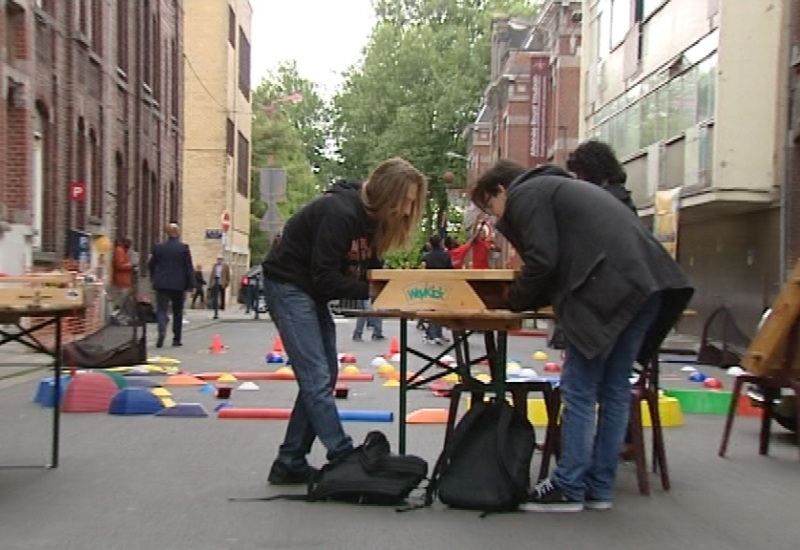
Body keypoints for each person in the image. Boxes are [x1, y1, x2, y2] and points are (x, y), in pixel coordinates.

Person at [471, 160, 693, 512]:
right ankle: (599, 487)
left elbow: (543, 259)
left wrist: (515, 302)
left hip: (606, 289)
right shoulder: (561, 189)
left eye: (489, 206)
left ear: (500, 190)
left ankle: (569, 485)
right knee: (615, 390)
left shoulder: (526, 193)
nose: (495, 216)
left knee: (580, 389)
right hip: (649, 283)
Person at [261, 157, 427, 485]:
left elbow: (369, 273)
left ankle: (290, 460)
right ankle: (342, 453)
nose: (408, 211)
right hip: (289, 284)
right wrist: (376, 290)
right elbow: (326, 277)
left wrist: (394, 290)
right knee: (316, 377)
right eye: (405, 201)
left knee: (324, 375)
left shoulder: (372, 222)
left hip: (310, 291)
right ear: (387, 193)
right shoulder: (339, 213)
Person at [567, 139, 638, 460]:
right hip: (634, 299)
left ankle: (573, 472)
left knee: (581, 389)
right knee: (617, 387)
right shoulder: (626, 201)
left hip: (603, 304)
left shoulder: (598, 203)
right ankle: (606, 468)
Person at [148, 223, 195, 348]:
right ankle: (176, 338)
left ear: (166, 233)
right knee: (177, 311)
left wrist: (154, 277)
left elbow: (151, 265)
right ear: (177, 233)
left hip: (162, 283)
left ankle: (162, 329)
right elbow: (188, 267)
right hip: (179, 284)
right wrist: (191, 284)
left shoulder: (159, 248)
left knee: (161, 309)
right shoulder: (183, 248)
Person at [421, 234, 453, 344]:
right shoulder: (446, 256)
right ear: (440, 243)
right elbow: (451, 270)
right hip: (443, 285)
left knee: (432, 309)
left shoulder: (427, 256)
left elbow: (423, 270)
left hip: (430, 285)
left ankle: (431, 334)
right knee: (440, 310)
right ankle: (436, 334)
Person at [110, 237, 133, 310]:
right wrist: (130, 266)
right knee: (119, 301)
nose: (130, 245)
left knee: (122, 301)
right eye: (129, 243)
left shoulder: (123, 251)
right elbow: (119, 265)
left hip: (124, 281)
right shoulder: (119, 251)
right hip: (120, 281)